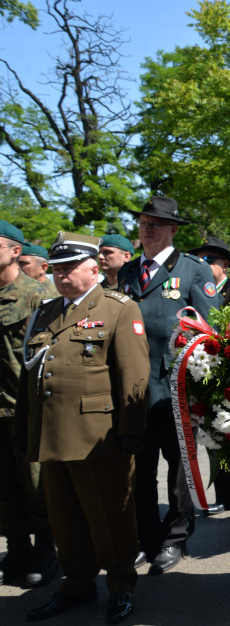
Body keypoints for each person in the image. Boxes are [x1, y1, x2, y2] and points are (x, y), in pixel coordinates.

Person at [17, 232, 149, 624]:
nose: (61, 276)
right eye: (56, 269)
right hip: (52, 434)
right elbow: (31, 375)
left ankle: (121, 584)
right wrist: (23, 428)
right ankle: (76, 583)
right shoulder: (45, 312)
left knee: (110, 515)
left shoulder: (118, 308)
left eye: (69, 268)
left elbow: (133, 373)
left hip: (99, 435)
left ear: (93, 268)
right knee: (65, 518)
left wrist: (132, 429)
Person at [118, 195, 221, 575]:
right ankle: (146, 539)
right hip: (133, 391)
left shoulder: (193, 270)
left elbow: (209, 330)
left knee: (178, 470)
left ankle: (175, 538)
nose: (147, 229)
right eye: (144, 222)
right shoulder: (128, 273)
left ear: (173, 229)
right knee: (139, 472)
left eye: (156, 223)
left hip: (176, 388)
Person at [0, 222, 57, 590]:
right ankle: (16, 548)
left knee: (39, 484)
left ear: (15, 252)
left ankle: (47, 550)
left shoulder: (38, 295)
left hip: (26, 409)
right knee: (4, 486)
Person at [186, 236, 230, 517]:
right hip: (208, 371)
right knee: (215, 433)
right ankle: (228, 496)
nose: (203, 264)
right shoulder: (194, 289)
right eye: (200, 260)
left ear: (225, 264)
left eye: (209, 260)